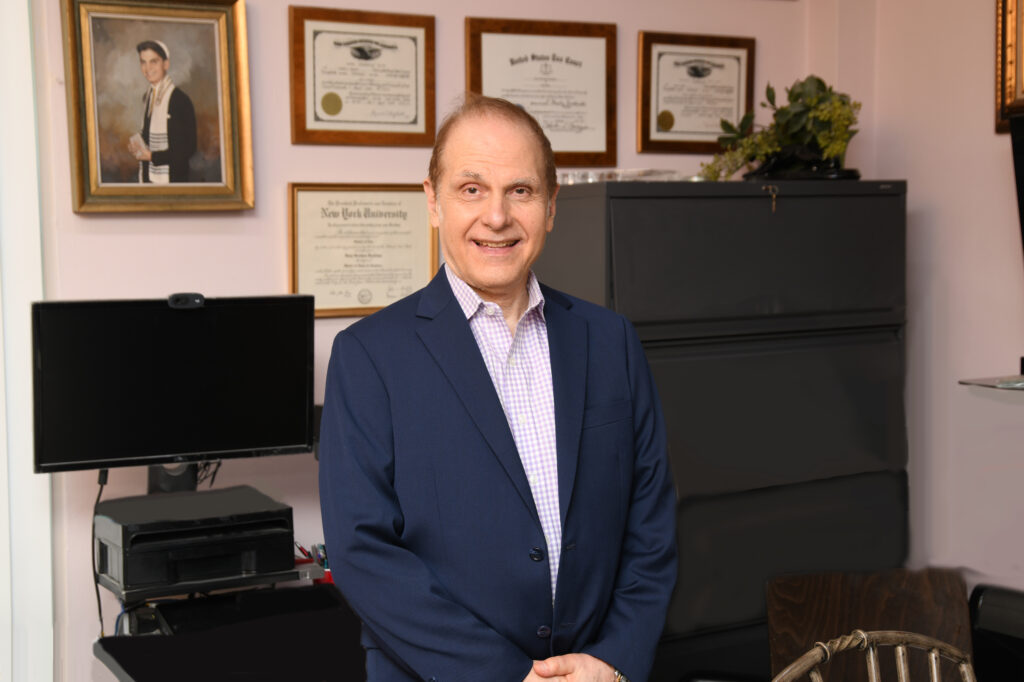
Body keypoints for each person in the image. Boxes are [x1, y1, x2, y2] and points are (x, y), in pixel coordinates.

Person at [318, 95, 677, 682]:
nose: (497, 217)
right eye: (471, 189)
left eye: (521, 190)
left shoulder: (610, 341)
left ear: (552, 207)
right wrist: (509, 675)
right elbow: (363, 556)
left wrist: (613, 660)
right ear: (432, 201)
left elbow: (652, 525)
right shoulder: (368, 357)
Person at [128, 40, 196, 183]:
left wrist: (152, 157)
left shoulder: (180, 100)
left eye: (154, 62)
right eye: (143, 62)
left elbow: (189, 149)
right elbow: (148, 134)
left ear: (166, 64)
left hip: (174, 180)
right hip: (149, 179)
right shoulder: (147, 96)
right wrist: (137, 145)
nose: (147, 68)